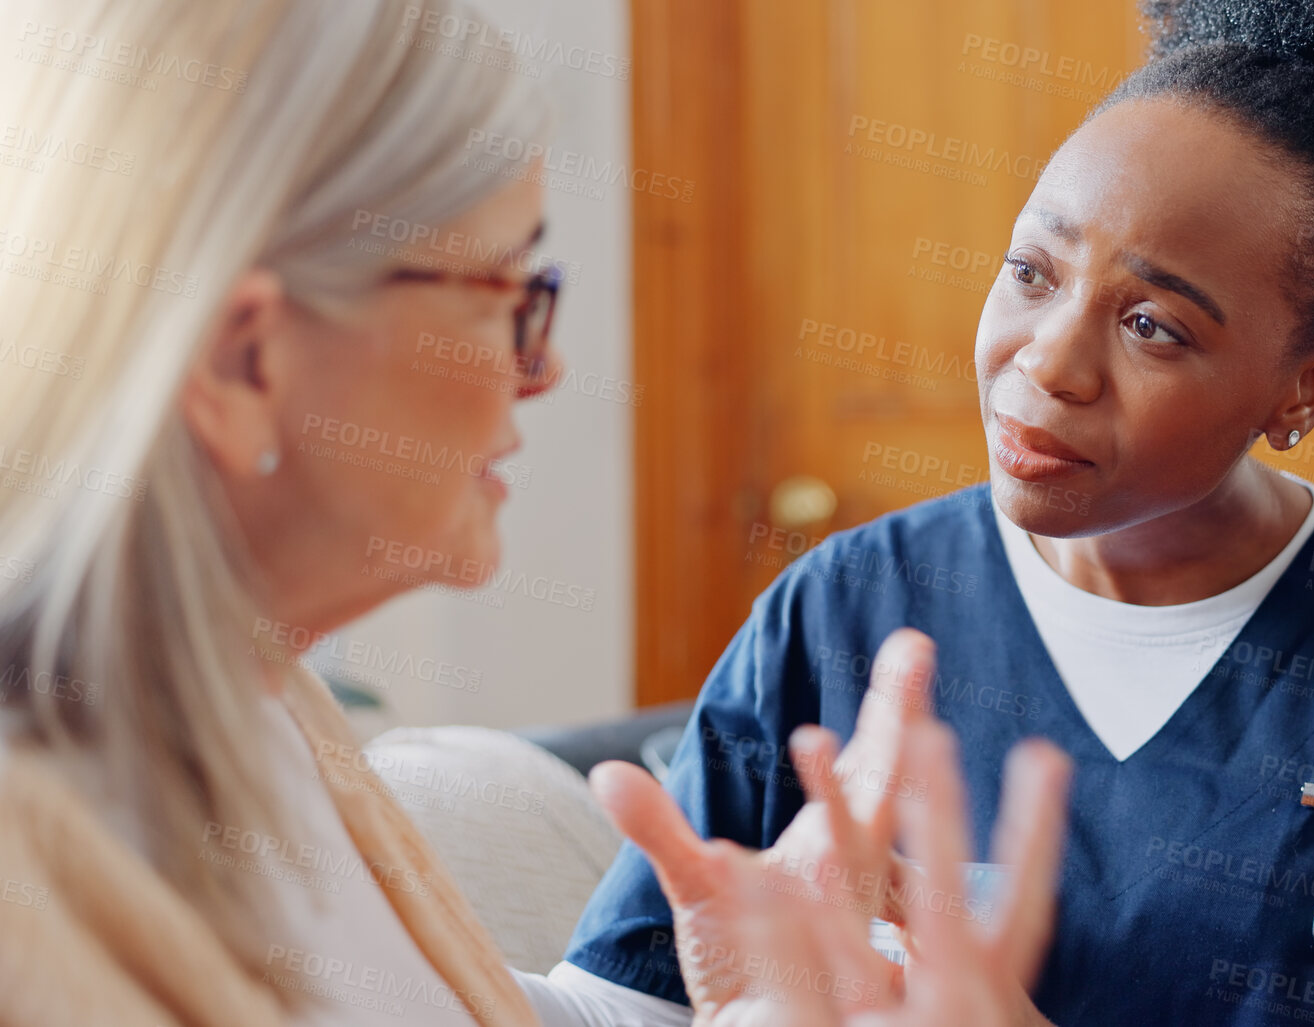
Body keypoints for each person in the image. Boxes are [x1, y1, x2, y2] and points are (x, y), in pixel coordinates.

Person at [558, 0, 1314, 1024]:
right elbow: (628, 997)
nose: (1047, 363)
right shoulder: (843, 608)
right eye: (1033, 272)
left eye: (1155, 326)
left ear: (1304, 386)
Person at [0, 1, 1069, 1024]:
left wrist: (735, 989)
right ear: (246, 361)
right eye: (508, 294)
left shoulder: (252, 704)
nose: (546, 365)